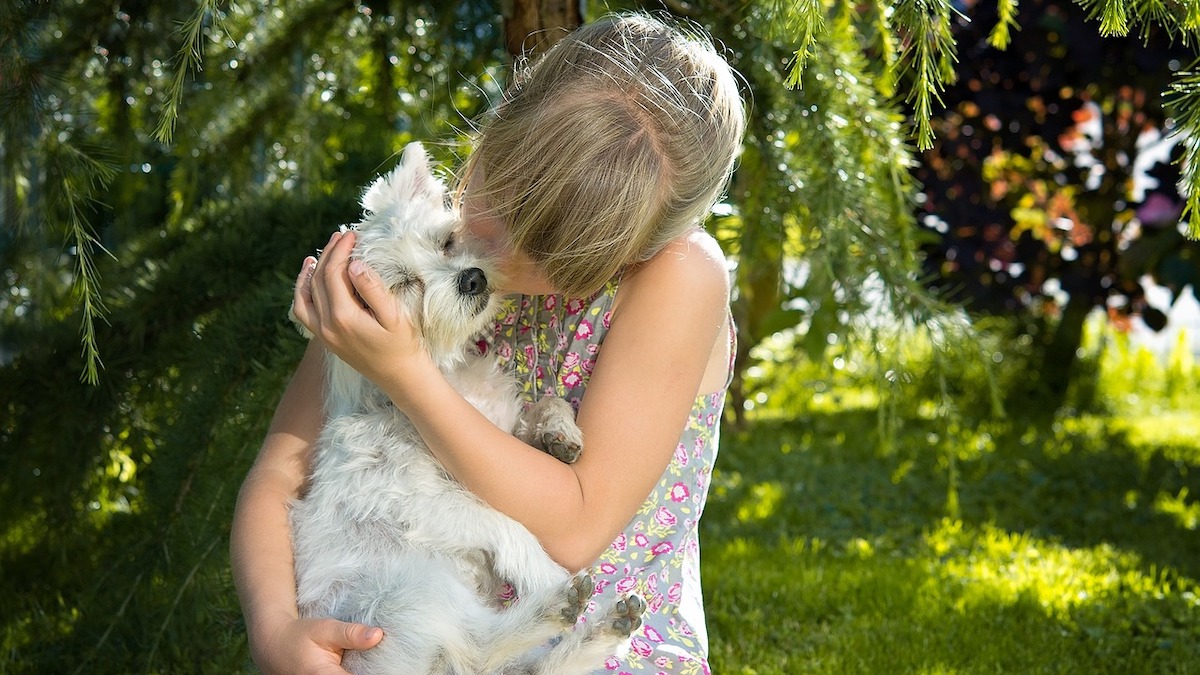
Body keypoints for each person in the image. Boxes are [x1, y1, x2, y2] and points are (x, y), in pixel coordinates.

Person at [230, 11, 745, 675]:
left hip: (603, 651)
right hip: (416, 640)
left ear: (634, 250)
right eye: (497, 194)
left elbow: (578, 522)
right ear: (505, 119)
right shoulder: (417, 249)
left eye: (547, 249)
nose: (489, 252)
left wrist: (405, 374)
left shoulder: (677, 277)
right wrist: (276, 631)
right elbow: (282, 472)